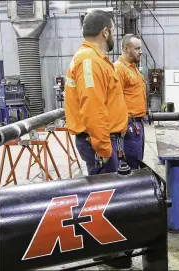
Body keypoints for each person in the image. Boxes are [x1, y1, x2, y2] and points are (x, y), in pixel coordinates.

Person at [64, 10, 128, 176]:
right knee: (106, 195)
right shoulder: (90, 61)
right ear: (105, 32)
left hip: (103, 140)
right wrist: (104, 150)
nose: (114, 35)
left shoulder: (96, 59)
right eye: (113, 31)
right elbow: (93, 110)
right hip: (99, 143)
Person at [114, 34, 147, 170]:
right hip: (129, 126)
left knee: (137, 162)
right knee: (131, 165)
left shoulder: (133, 68)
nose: (141, 51)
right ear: (126, 49)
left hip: (138, 124)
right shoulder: (119, 69)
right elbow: (115, 100)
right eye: (137, 48)